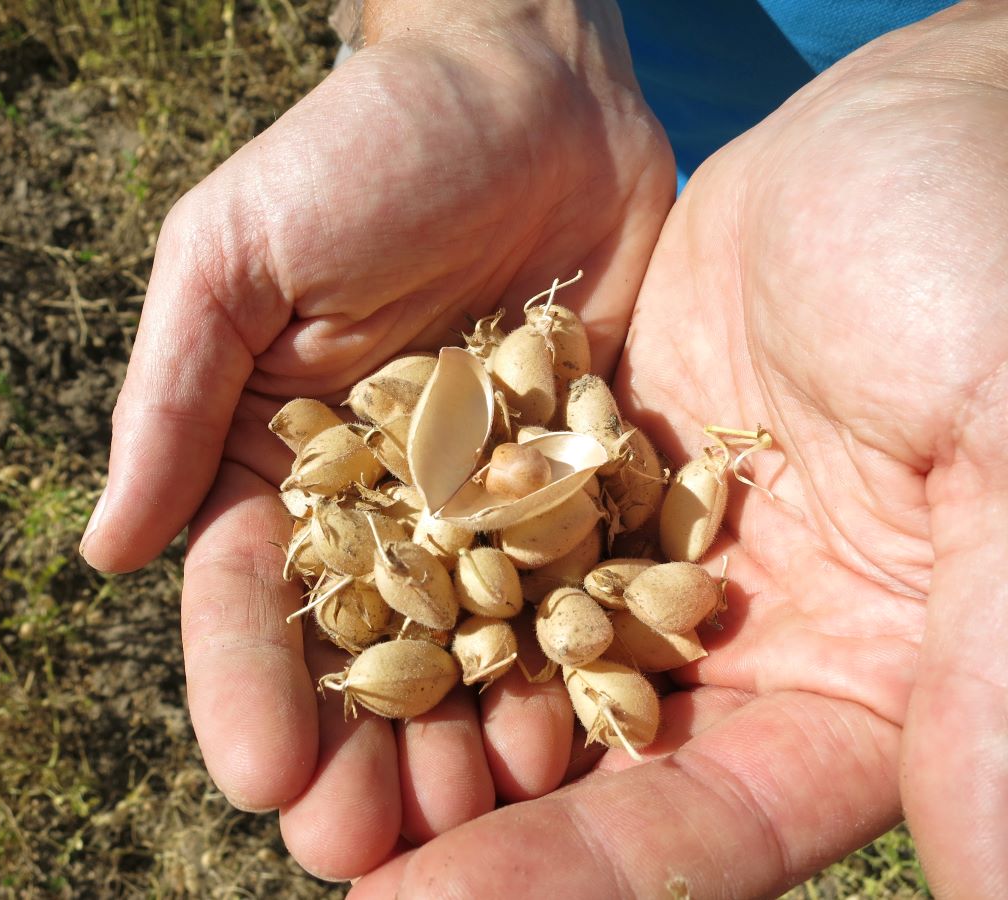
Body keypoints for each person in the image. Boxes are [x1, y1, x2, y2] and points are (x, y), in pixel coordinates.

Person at [78, 1, 1008, 895]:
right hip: (576, 156)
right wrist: (485, 27)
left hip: (812, 218)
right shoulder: (456, 504)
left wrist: (983, 61)